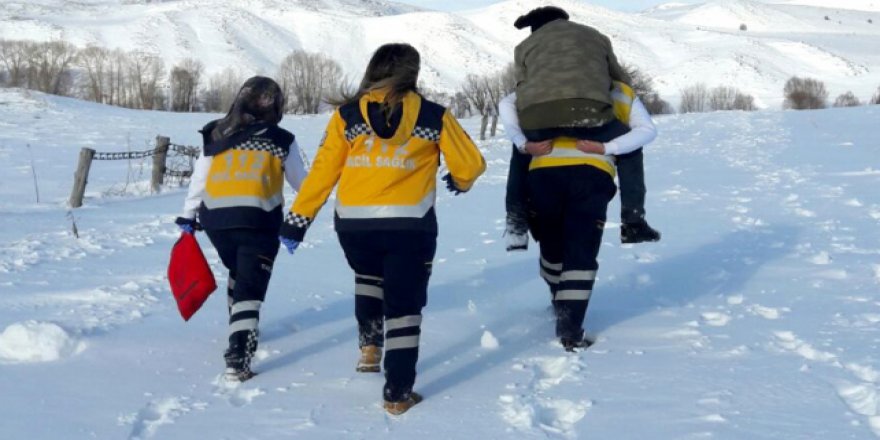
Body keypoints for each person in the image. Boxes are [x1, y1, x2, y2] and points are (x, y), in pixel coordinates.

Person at [278, 43, 485, 415]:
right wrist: (460, 181)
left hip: (354, 224)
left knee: (369, 275)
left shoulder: (346, 116)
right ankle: (397, 393)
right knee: (404, 305)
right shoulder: (434, 115)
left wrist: (298, 220)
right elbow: (470, 165)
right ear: (412, 73)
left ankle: (370, 349)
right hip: (410, 225)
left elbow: (323, 172)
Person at [175, 76, 307, 381]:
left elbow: (201, 176)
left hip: (216, 221)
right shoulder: (281, 138)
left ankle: (239, 323)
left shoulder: (218, 132)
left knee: (240, 270)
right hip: (258, 219)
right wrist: (311, 206)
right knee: (250, 286)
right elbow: (301, 182)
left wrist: (188, 215)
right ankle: (238, 357)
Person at [500, 80, 660, 251]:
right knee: (631, 144)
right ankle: (633, 222)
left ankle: (516, 222)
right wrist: (608, 147)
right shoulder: (614, 84)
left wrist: (522, 143)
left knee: (522, 146)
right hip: (593, 125)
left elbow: (505, 103)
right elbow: (647, 130)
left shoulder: (542, 79)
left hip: (548, 131)